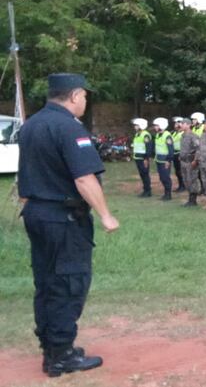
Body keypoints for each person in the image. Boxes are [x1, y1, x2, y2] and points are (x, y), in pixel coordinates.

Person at [18, 73, 119, 377]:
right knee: (69, 282)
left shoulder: (32, 124)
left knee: (47, 282)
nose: (86, 102)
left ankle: (51, 347)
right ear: (75, 95)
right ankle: (61, 355)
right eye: (85, 96)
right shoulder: (68, 128)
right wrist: (105, 215)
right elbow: (84, 177)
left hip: (37, 212)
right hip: (63, 218)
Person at [178, 118, 201, 207]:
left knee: (192, 180)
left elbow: (198, 149)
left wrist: (195, 160)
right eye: (181, 124)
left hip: (191, 162)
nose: (181, 125)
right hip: (183, 162)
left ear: (188, 125)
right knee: (186, 180)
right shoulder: (183, 135)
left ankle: (193, 200)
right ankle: (190, 198)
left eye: (183, 124)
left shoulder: (193, 136)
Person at [152, 117, 175, 201]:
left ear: (161, 125)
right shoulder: (158, 135)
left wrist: (168, 160)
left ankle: (168, 194)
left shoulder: (167, 136)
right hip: (159, 159)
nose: (155, 127)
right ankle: (165, 193)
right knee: (162, 177)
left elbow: (171, 150)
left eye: (156, 125)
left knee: (166, 177)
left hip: (165, 160)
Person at [130, 117, 153, 197]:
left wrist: (146, 159)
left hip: (143, 159)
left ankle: (148, 191)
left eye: (136, 125)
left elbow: (148, 148)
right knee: (142, 174)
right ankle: (145, 190)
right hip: (138, 158)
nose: (135, 127)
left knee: (145, 174)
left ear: (141, 125)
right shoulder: (137, 134)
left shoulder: (145, 135)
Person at [171, 117, 185, 192]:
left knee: (181, 171)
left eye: (177, 123)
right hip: (175, 153)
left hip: (181, 153)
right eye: (175, 123)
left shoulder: (183, 133)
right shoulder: (174, 133)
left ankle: (183, 186)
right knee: (177, 171)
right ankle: (180, 185)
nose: (175, 125)